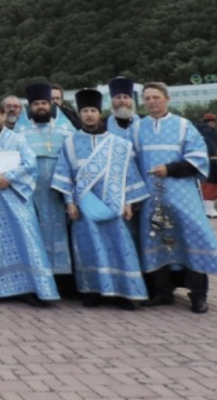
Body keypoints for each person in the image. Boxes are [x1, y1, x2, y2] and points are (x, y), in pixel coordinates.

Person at [133, 82, 217, 313]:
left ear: (166, 98)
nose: (151, 102)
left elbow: (199, 159)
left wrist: (170, 168)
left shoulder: (183, 126)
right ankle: (162, 292)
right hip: (151, 197)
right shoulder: (137, 129)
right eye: (147, 98)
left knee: (191, 238)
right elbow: (130, 162)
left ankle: (198, 295)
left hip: (182, 195)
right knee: (156, 240)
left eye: (156, 97)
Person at [52, 89, 149, 310]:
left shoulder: (118, 144)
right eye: (85, 111)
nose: (89, 115)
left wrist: (128, 203)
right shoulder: (70, 142)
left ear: (99, 113)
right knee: (89, 248)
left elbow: (129, 174)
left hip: (113, 205)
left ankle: (125, 293)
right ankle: (93, 291)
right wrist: (69, 202)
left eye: (93, 111)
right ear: (80, 113)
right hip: (84, 206)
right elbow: (64, 173)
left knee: (119, 247)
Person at [0, 102, 58, 307]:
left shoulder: (18, 140)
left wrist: (7, 177)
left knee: (26, 240)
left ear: (2, 116)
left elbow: (30, 163)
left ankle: (31, 288)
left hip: (16, 198)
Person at [15, 82, 76, 288]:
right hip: (32, 195)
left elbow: (73, 161)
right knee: (35, 234)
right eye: (36, 104)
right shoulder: (20, 132)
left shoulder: (66, 129)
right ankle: (38, 280)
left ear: (51, 104)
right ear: (29, 107)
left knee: (62, 233)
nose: (40, 107)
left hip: (59, 193)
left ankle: (64, 282)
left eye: (44, 103)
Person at [196, 113, 217, 218]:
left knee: (205, 184)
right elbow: (213, 147)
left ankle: (206, 209)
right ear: (211, 122)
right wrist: (215, 160)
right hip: (212, 160)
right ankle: (210, 210)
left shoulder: (199, 131)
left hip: (202, 161)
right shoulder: (209, 132)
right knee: (213, 184)